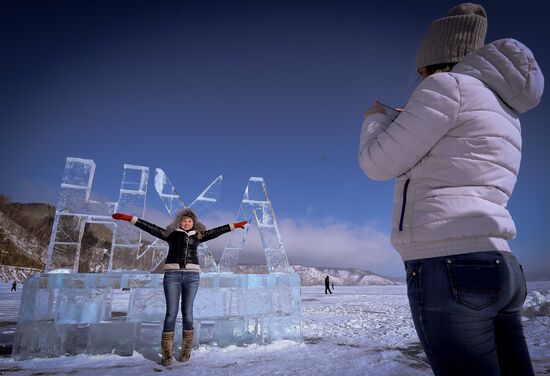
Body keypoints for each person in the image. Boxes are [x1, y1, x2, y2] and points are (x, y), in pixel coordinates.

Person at [358, 3, 543, 376]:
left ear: (434, 61)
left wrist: (376, 119)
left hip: (449, 265)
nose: (420, 79)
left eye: (421, 71)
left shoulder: (446, 86)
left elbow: (377, 162)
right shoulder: (503, 108)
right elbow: (454, 157)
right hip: (501, 264)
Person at [112, 208, 247, 366]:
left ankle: (186, 349)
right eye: (184, 221)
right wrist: (130, 218)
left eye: (190, 221)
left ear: (193, 223)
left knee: (187, 312)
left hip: (192, 277)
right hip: (172, 276)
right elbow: (150, 227)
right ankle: (167, 352)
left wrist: (233, 225)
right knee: (171, 313)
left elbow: (216, 231)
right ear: (179, 222)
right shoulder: (171, 234)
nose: (187, 223)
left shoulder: (199, 235)